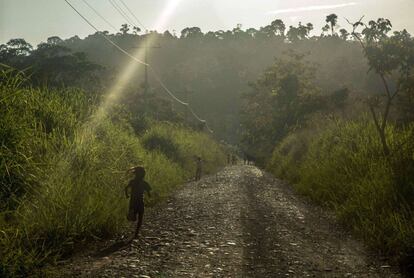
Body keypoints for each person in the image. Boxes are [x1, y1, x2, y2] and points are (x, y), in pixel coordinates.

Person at [125, 166, 152, 239]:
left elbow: (126, 188)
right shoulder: (143, 183)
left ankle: (136, 233)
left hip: (134, 202)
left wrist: (127, 195)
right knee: (138, 218)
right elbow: (148, 191)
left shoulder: (134, 182)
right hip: (138, 202)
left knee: (137, 217)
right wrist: (149, 195)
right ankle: (136, 233)